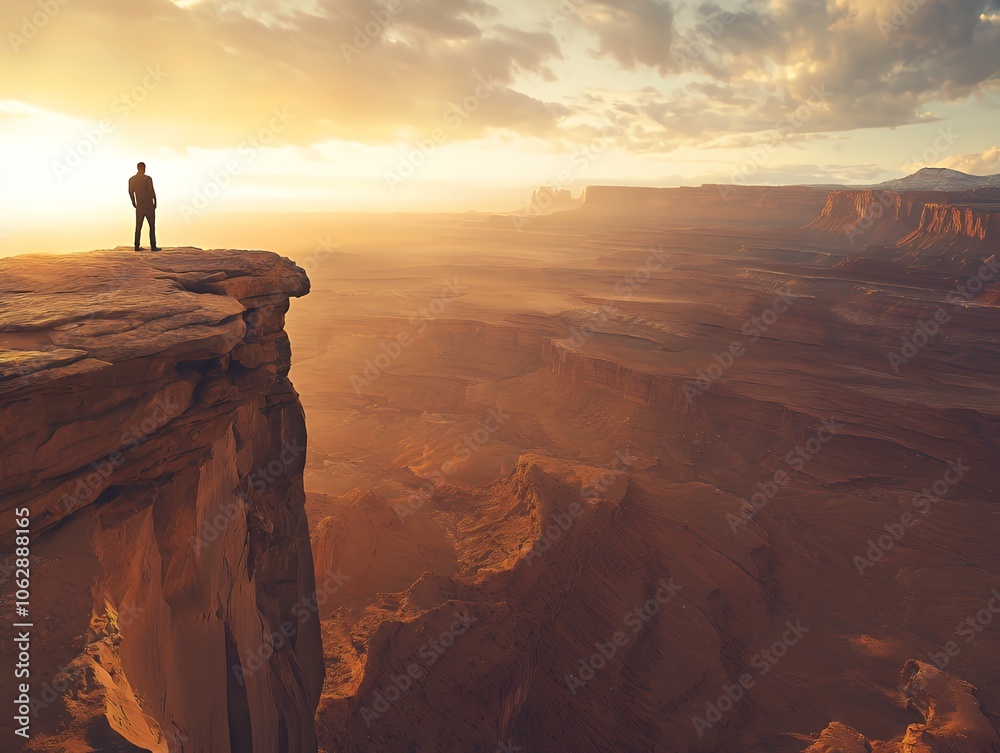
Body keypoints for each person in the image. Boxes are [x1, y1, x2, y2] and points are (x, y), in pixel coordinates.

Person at [129, 162, 160, 252]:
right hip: (148, 205)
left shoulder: (132, 180)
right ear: (144, 168)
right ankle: (153, 246)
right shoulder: (147, 179)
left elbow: (131, 192)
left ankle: (136, 245)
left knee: (138, 226)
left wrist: (133, 202)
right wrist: (155, 201)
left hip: (140, 205)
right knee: (152, 226)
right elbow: (151, 190)